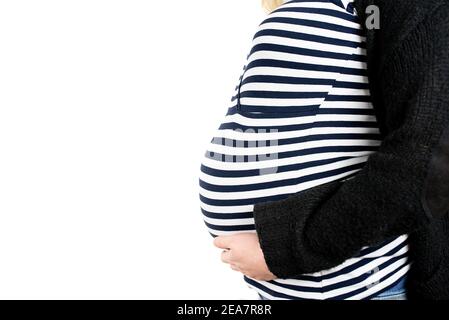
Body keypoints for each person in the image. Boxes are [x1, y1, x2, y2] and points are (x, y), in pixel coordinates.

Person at [208, 0, 449, 300]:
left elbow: (430, 170)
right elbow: (267, 133)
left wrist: (285, 248)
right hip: (291, 283)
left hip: (358, 284)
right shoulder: (341, 13)